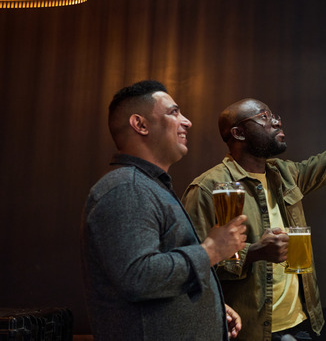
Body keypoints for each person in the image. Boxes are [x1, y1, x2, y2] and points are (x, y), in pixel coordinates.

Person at [182, 55, 326, 341]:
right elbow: (193, 270)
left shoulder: (285, 174)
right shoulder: (208, 188)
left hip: (302, 325)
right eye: (264, 117)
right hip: (248, 332)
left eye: (274, 115)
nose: (276, 121)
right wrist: (254, 252)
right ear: (238, 133)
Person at [81, 80, 248, 340]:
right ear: (141, 124)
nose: (187, 122)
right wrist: (212, 251)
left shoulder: (147, 186)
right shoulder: (126, 188)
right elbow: (139, 277)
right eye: (174, 112)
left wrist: (210, 307)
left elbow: (156, 282)